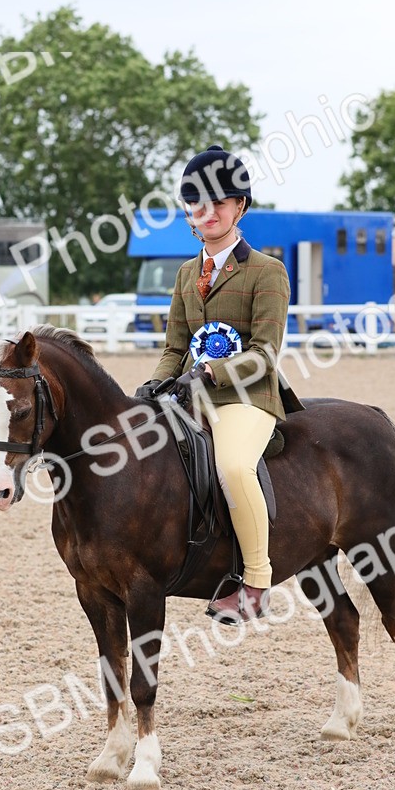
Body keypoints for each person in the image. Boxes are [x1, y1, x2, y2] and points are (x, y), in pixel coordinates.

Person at [135, 144, 291, 623]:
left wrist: (211, 373)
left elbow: (265, 354)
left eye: (218, 204)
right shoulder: (186, 274)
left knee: (234, 466)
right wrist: (155, 384)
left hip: (247, 398)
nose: (207, 213)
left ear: (239, 207)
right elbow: (174, 348)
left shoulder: (267, 271)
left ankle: (257, 583)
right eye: (197, 205)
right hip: (188, 395)